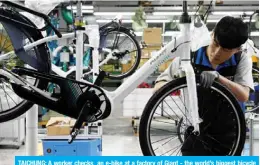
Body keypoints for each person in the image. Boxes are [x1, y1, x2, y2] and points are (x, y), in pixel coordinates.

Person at [154, 16, 254, 107]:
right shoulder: (190, 56)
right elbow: (158, 87)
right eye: (215, 44)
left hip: (232, 123)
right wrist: (182, 83)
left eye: (225, 50)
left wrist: (219, 78)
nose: (216, 53)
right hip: (195, 124)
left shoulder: (241, 59)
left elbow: (244, 96)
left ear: (238, 49)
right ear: (212, 34)